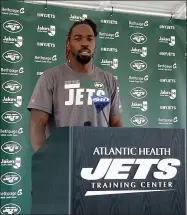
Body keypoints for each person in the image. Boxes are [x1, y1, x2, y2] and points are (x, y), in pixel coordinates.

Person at [27, 19, 123, 152]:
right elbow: (38, 124)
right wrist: (45, 160)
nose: (85, 43)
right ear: (68, 44)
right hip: (63, 160)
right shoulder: (50, 77)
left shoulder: (108, 79)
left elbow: (116, 124)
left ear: (94, 44)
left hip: (100, 160)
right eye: (78, 39)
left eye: (90, 39)